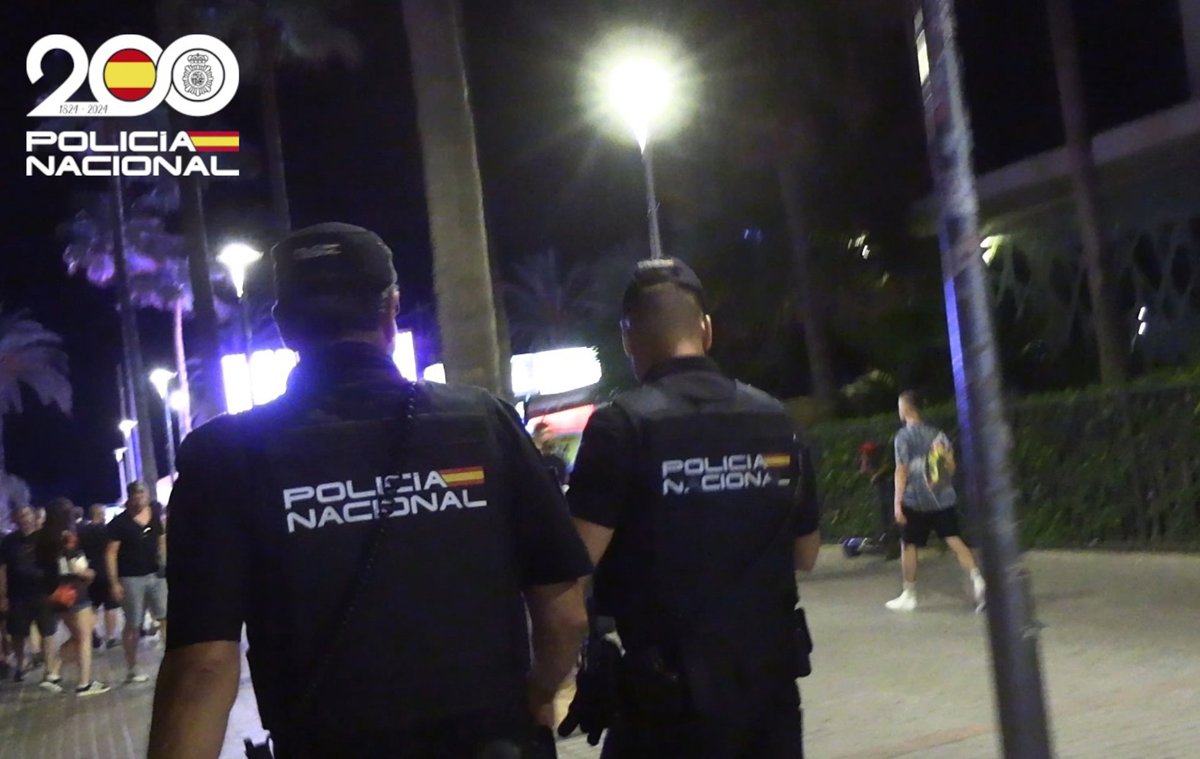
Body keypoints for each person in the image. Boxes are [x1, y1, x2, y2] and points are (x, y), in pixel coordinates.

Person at [148, 222, 592, 759]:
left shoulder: (223, 456)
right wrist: (538, 695)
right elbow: (564, 613)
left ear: (284, 326)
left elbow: (202, 667)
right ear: (391, 309)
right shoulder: (485, 423)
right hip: (491, 741)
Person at [565, 258, 821, 758]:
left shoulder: (621, 428)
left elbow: (574, 566)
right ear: (706, 329)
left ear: (628, 337)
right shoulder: (776, 420)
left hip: (666, 707)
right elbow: (806, 554)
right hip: (767, 700)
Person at [886, 391, 986, 612]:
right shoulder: (938, 435)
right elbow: (950, 467)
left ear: (906, 409)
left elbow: (901, 470)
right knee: (954, 539)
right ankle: (979, 581)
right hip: (941, 498)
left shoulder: (903, 436)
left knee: (909, 545)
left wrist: (897, 502)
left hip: (914, 500)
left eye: (900, 407)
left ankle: (909, 595)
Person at [35, 499, 110, 696]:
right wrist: (90, 573)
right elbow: (76, 567)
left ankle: (53, 673)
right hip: (74, 590)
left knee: (77, 636)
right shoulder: (68, 537)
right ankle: (84, 683)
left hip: (55, 593)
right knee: (84, 637)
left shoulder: (42, 538)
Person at [105, 481, 168, 683]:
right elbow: (111, 553)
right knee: (134, 623)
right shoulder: (120, 523)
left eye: (142, 495)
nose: (139, 499)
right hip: (131, 578)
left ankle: (171, 661)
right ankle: (132, 667)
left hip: (156, 576)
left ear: (147, 496)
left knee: (165, 617)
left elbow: (161, 538)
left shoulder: (155, 516)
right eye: (136, 496)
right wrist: (114, 583)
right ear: (130, 497)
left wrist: (164, 561)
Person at [0, 505, 58, 683]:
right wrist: (2, 596)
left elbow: (55, 564)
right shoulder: (9, 541)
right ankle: (21, 664)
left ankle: (49, 669)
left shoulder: (45, 538)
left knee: (47, 631)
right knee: (17, 633)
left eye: (27, 515)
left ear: (34, 516)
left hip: (43, 592)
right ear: (15, 520)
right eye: (20, 516)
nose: (24, 519)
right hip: (17, 594)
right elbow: (2, 569)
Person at [79, 503, 120, 649]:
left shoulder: (82, 531)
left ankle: (91, 633)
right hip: (106, 570)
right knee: (110, 606)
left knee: (93, 606)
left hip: (89, 571)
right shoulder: (107, 531)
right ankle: (110, 637)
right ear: (100, 514)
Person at [533, 421, 569, 487]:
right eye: (547, 432)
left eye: (550, 432)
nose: (552, 436)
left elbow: (563, 483)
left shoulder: (558, 461)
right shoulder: (531, 459)